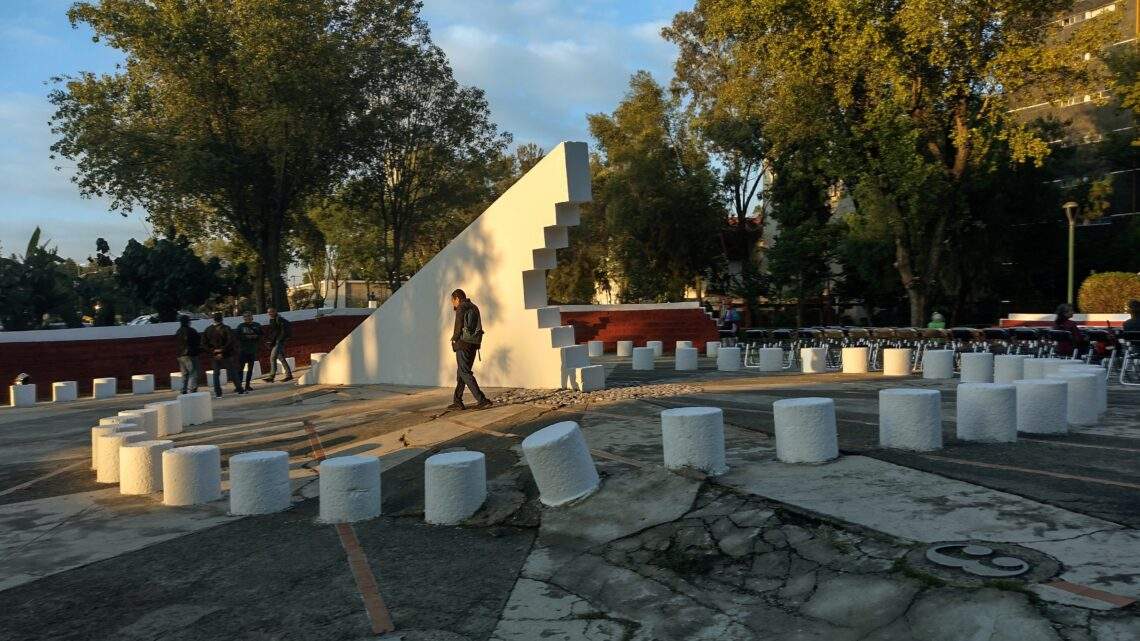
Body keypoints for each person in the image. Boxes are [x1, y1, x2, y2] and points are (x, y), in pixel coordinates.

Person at [447, 289, 491, 411]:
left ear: (457, 299)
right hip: (474, 344)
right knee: (462, 372)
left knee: (465, 372)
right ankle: (457, 401)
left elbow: (459, 324)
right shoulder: (474, 306)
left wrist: (455, 338)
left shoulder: (461, 307)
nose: (453, 304)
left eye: (453, 301)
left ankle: (482, 400)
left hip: (463, 344)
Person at [202, 312, 244, 398]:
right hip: (227, 354)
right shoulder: (226, 328)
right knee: (233, 372)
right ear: (222, 319)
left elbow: (203, 344)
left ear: (213, 319)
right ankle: (239, 390)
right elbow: (231, 341)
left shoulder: (208, 330)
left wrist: (213, 351)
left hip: (214, 355)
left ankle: (218, 393)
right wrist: (222, 350)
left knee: (216, 374)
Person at [263, 307, 293, 382]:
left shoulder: (279, 319)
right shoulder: (272, 320)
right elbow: (274, 332)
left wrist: (279, 340)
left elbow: (281, 332)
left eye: (271, 311)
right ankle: (289, 375)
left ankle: (271, 376)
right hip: (276, 341)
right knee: (281, 358)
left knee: (272, 358)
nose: (270, 313)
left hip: (279, 342)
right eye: (268, 312)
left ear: (275, 311)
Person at [235, 312, 262, 392]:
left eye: (249, 316)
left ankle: (247, 385)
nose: (247, 318)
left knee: (250, 369)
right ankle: (239, 386)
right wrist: (246, 337)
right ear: (243, 318)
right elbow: (237, 337)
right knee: (240, 369)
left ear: (252, 317)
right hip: (242, 350)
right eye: (245, 316)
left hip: (252, 349)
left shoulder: (257, 325)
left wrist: (256, 336)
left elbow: (261, 335)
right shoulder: (240, 326)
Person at [174, 315, 201, 394]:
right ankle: (192, 389)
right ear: (188, 322)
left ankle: (184, 390)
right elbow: (197, 342)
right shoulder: (191, 331)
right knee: (193, 373)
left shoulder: (178, 331)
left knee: (185, 374)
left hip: (180, 355)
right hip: (190, 354)